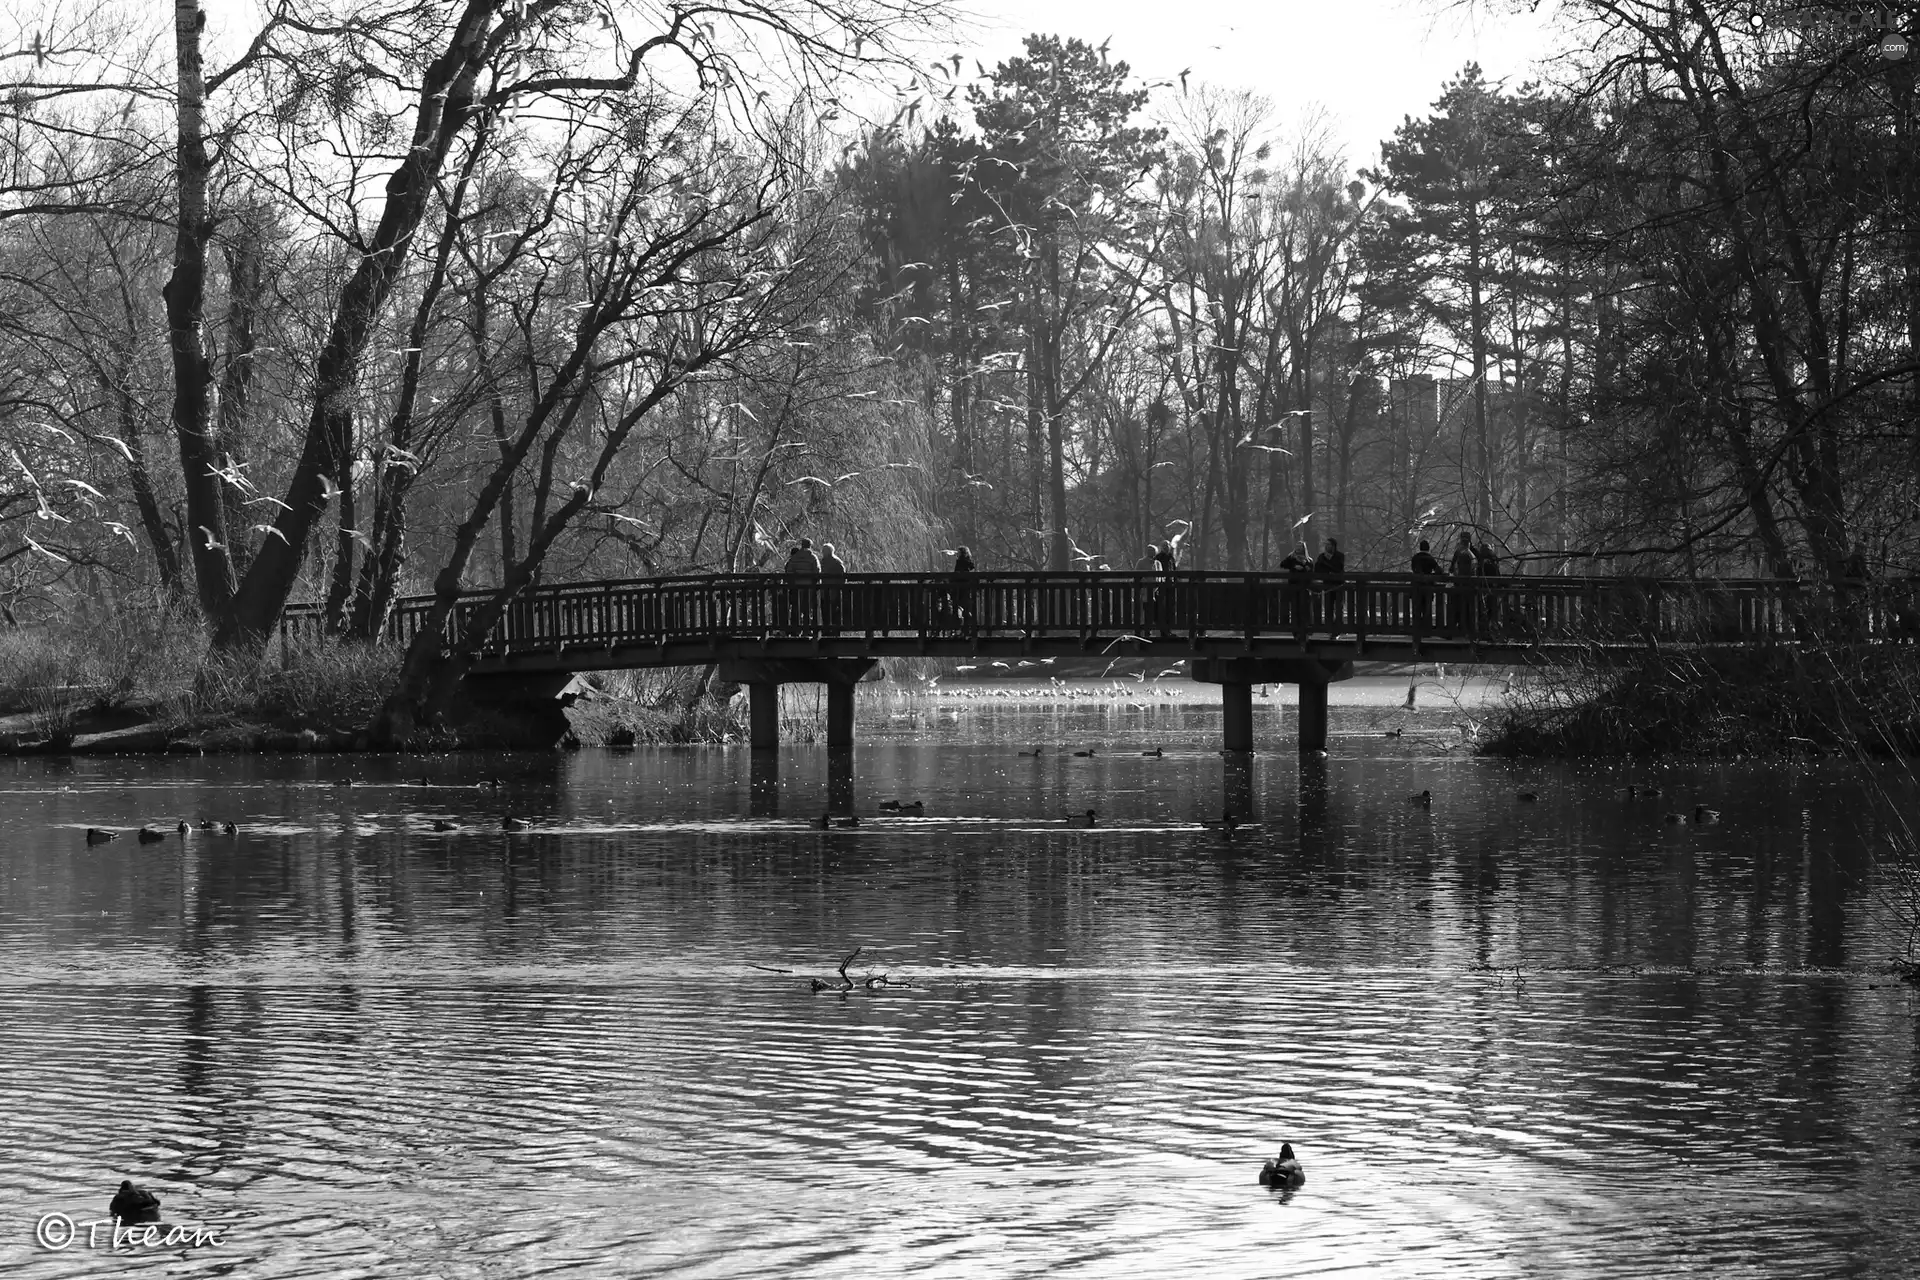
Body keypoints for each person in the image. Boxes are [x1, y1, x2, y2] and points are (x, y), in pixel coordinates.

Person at [783, 538, 820, 634]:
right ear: (810, 546)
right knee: (807, 608)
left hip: (796, 586)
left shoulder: (794, 557)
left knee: (796, 607)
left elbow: (789, 570)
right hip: (808, 586)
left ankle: (796, 630)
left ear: (802, 545)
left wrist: (794, 580)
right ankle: (806, 630)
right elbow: (817, 571)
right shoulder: (812, 557)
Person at [1314, 537, 1347, 632]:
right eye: (1326, 544)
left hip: (1339, 585)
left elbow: (1338, 568)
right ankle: (1329, 628)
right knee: (1328, 607)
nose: (1327, 546)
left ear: (1333, 546)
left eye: (1329, 544)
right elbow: (1317, 569)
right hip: (1327, 585)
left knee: (1339, 608)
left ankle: (1339, 628)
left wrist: (1327, 565)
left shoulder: (1340, 556)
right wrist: (1327, 569)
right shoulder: (1321, 556)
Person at [1448, 531, 1478, 635]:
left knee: (1459, 607)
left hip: (1460, 585)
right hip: (1472, 586)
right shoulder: (1474, 552)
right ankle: (1469, 628)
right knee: (1469, 608)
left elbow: (1452, 568)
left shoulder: (1460, 552)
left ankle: (1460, 628)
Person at [1279, 541, 1312, 634]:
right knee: (1294, 608)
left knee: (1304, 608)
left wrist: (1304, 565)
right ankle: (1295, 629)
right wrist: (1294, 566)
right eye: (1297, 546)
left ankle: (1306, 628)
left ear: (1303, 548)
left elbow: (1310, 570)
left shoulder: (1308, 559)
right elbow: (1283, 564)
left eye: (1300, 547)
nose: (1298, 548)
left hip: (1305, 587)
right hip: (1293, 586)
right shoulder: (1291, 558)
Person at [1410, 539, 1441, 635]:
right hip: (1428, 587)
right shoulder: (1430, 558)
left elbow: (1413, 569)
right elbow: (1438, 570)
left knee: (1416, 608)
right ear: (1428, 548)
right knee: (1427, 609)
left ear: (1420, 548)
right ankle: (1426, 631)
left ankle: (1416, 630)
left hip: (1416, 587)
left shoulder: (1415, 558)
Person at [819, 541, 846, 635]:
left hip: (825, 592)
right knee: (835, 612)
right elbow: (843, 578)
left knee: (826, 611)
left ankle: (826, 631)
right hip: (835, 591)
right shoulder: (838, 562)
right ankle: (835, 631)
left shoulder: (822, 562)